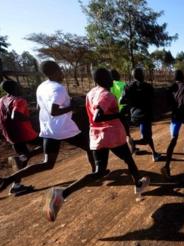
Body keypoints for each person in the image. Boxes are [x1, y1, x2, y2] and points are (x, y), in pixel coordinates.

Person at [43, 68, 150, 222]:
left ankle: (63, 193)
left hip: (96, 136)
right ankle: (138, 184)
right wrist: (119, 114)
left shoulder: (91, 93)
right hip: (112, 135)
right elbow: (98, 116)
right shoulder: (106, 95)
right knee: (128, 158)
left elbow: (93, 117)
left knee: (99, 171)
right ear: (102, 79)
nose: (112, 80)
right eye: (108, 78)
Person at [0, 60, 95, 207]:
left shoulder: (42, 86)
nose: (62, 73)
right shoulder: (59, 88)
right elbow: (54, 111)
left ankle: (4, 180)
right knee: (90, 146)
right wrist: (72, 106)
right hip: (63, 128)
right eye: (61, 70)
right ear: (55, 71)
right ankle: (95, 173)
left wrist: (66, 105)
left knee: (47, 163)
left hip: (48, 129)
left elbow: (39, 106)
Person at [0, 80, 40, 195]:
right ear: (15, 87)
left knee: (21, 161)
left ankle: (16, 185)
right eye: (18, 86)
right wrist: (31, 119)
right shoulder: (19, 100)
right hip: (24, 132)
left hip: (10, 135)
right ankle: (25, 157)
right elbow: (16, 115)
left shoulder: (0, 101)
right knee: (48, 143)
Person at [161, 70, 184, 179]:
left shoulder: (171, 87)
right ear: (183, 77)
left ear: (175, 78)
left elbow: (167, 103)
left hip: (176, 117)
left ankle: (166, 167)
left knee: (174, 139)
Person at [121, 68, 161, 161]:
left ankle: (154, 153)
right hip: (146, 115)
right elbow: (154, 99)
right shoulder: (148, 86)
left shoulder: (128, 87)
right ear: (142, 75)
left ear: (133, 76)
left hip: (134, 116)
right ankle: (134, 143)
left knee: (147, 137)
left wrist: (131, 100)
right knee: (147, 139)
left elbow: (121, 101)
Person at [110, 69, 137, 153]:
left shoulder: (110, 86)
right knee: (126, 130)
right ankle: (131, 147)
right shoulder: (123, 84)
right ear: (118, 76)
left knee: (121, 130)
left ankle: (130, 146)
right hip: (125, 110)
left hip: (115, 112)